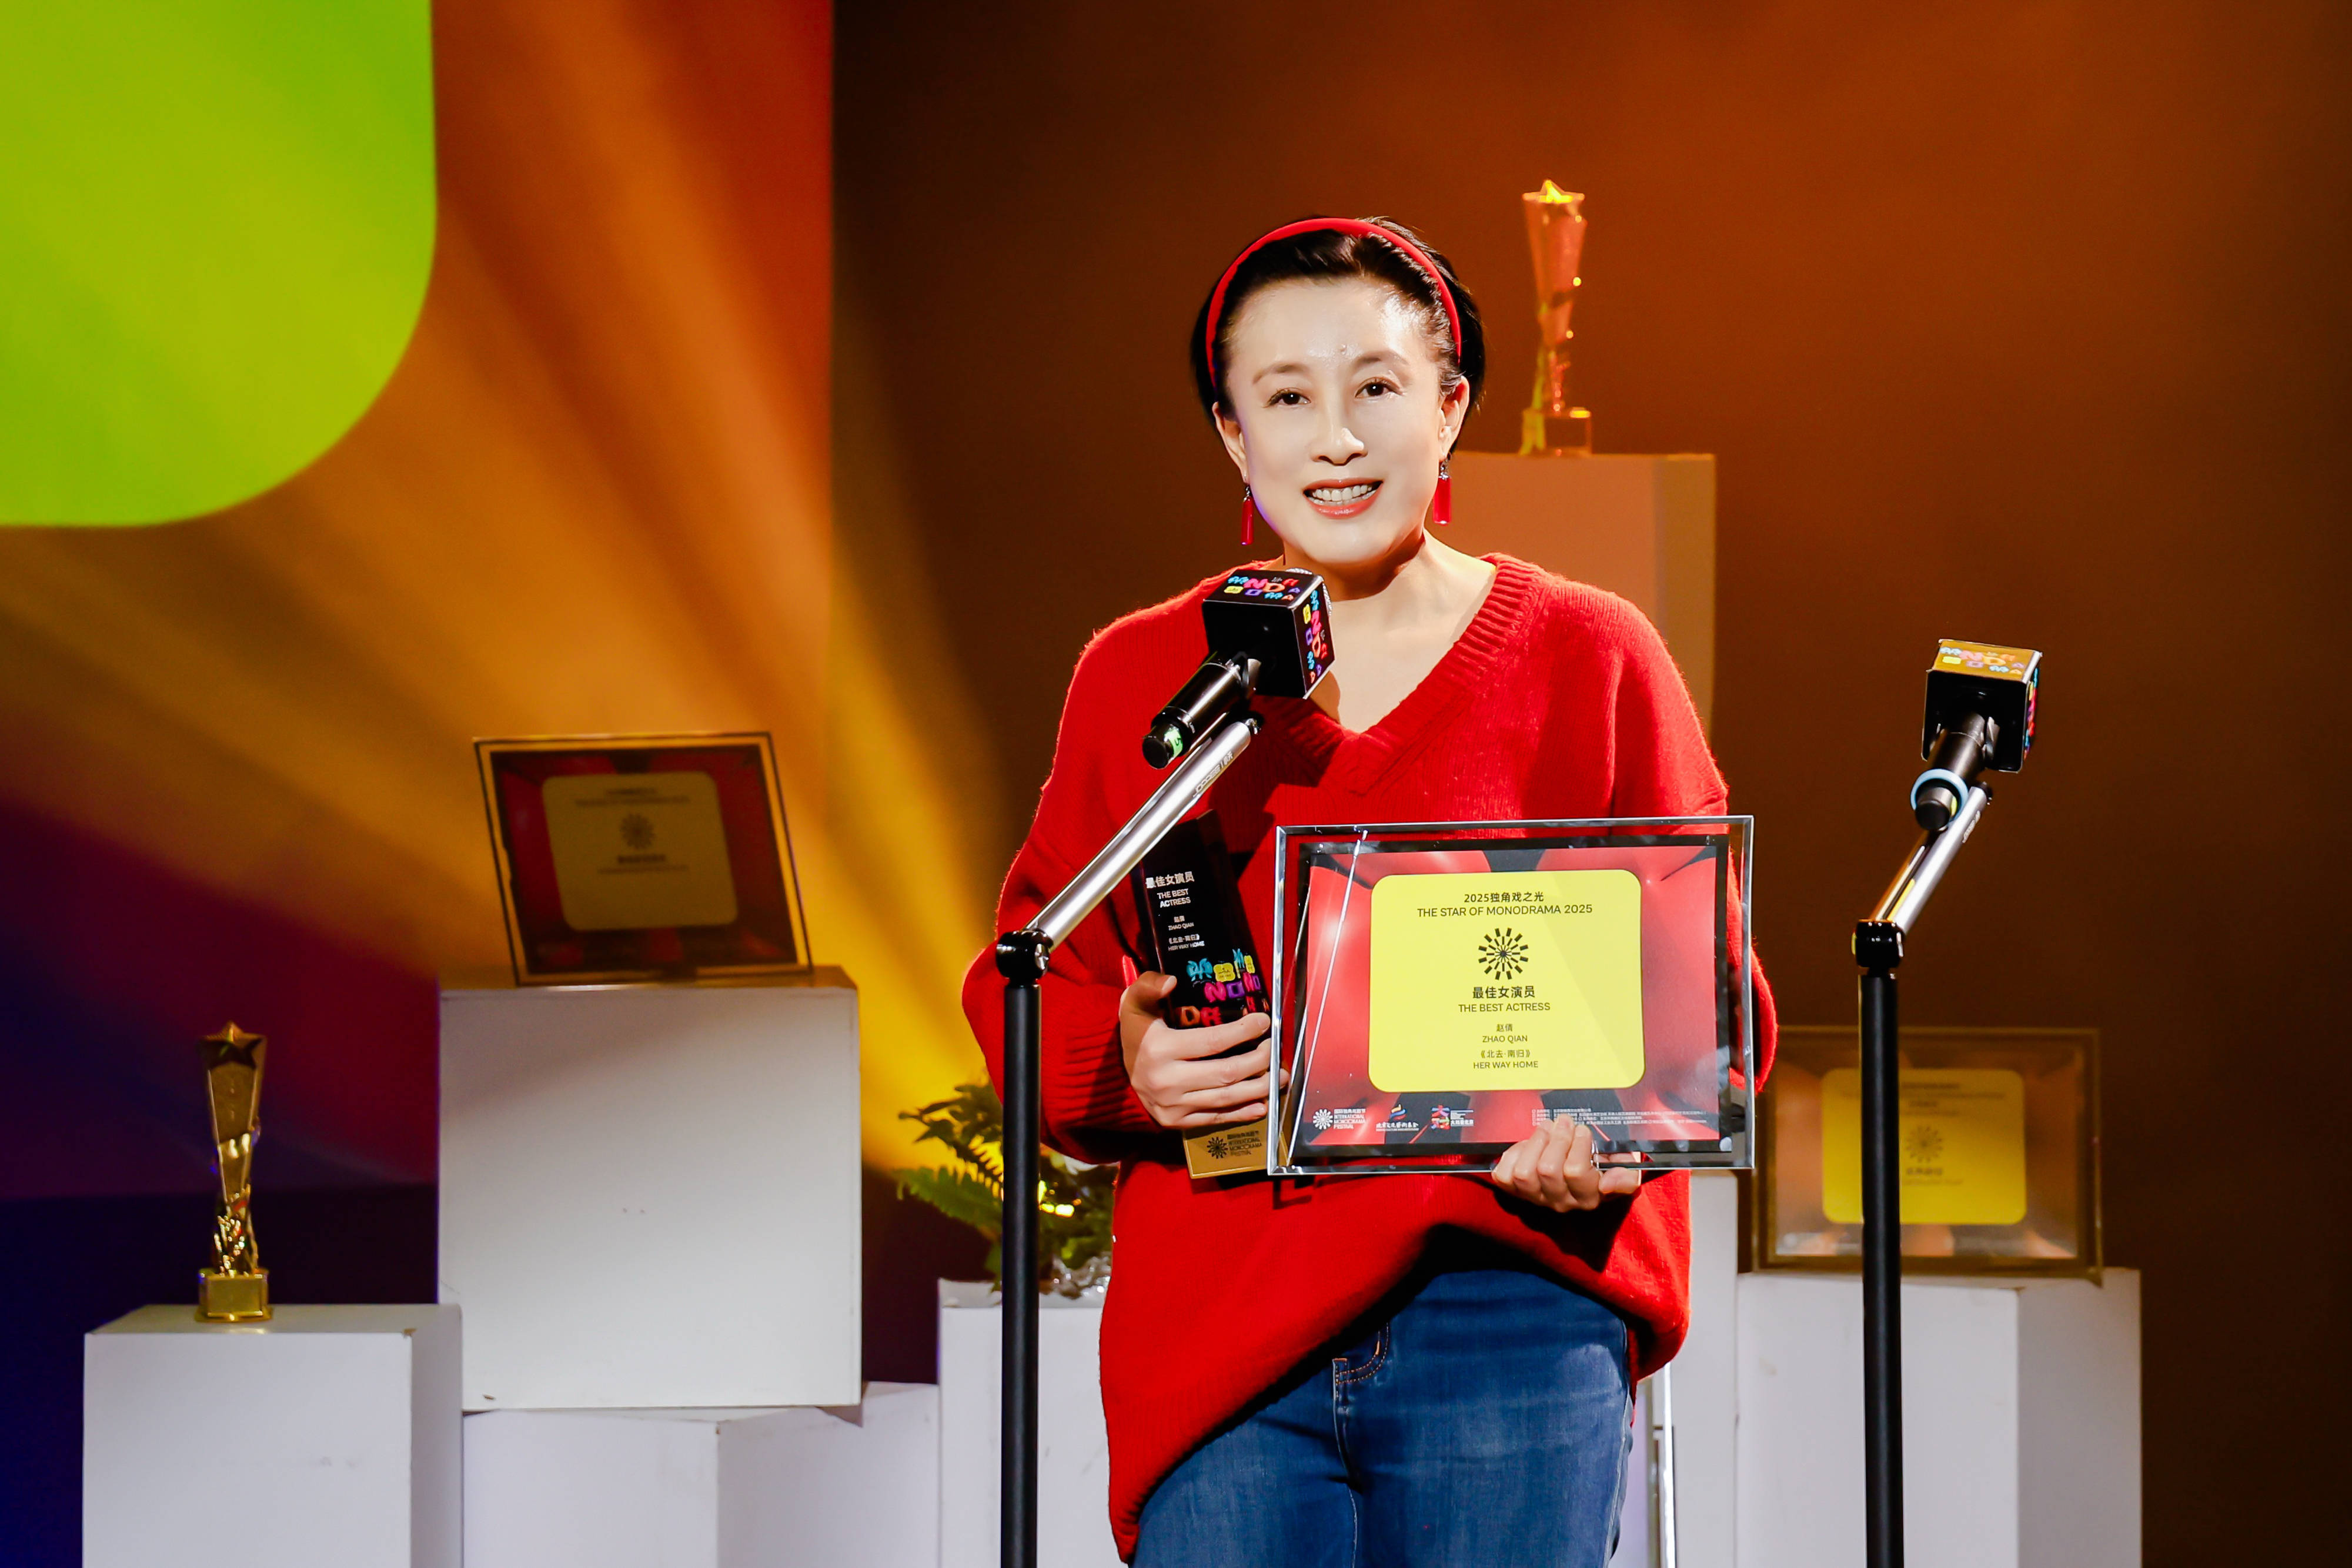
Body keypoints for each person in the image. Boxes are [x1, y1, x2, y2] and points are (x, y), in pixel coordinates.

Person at [960, 215, 1776, 1568]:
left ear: (1448, 407)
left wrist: (1614, 1127)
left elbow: (1711, 1003)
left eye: (1376, 387)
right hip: (1225, 1331)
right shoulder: (1144, 675)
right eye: (1285, 398)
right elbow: (1027, 972)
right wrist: (1130, 1064)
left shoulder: (1591, 656)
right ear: (1233, 435)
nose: (1334, 439)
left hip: (1511, 1312)